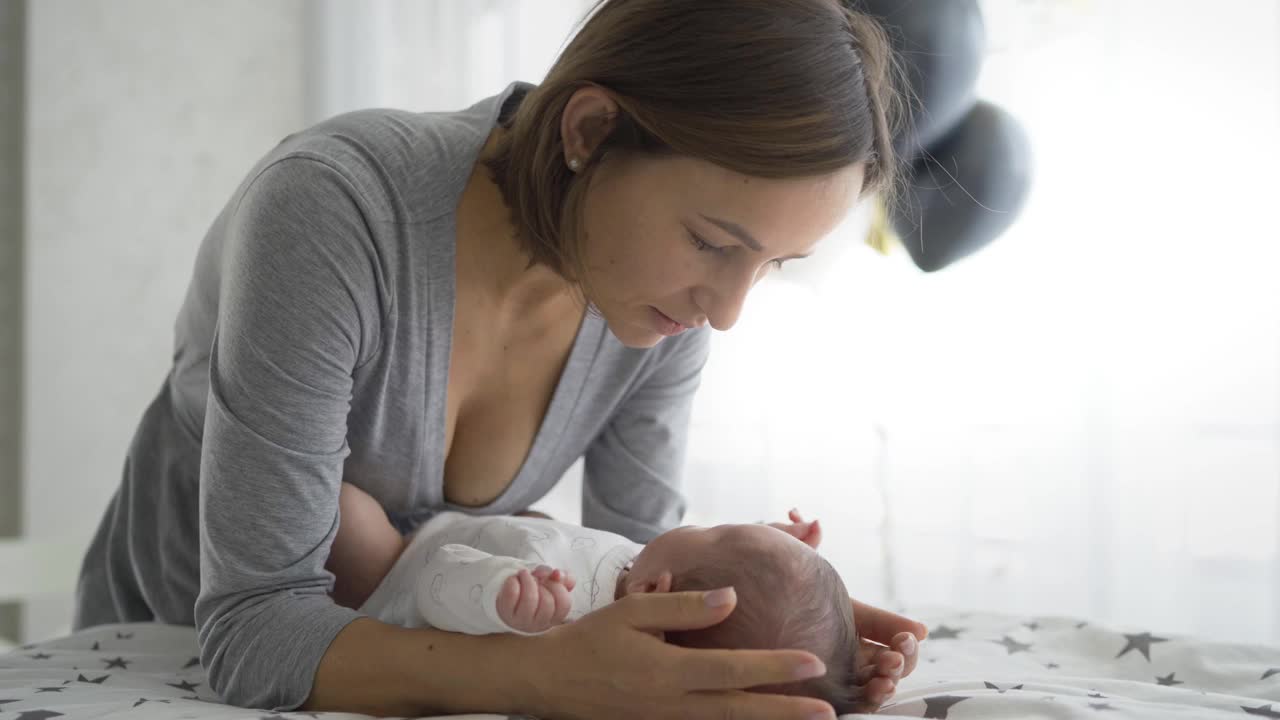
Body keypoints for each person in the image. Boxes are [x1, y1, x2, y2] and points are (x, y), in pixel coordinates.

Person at [72, 0, 928, 717]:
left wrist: (757, 619)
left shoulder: (662, 309)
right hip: (166, 659)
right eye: (710, 241)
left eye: (772, 264)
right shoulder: (330, 214)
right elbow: (255, 633)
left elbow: (630, 551)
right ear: (590, 130)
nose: (729, 311)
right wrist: (546, 679)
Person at [334, 481, 881, 715]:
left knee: (347, 512)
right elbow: (730, 581)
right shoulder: (656, 576)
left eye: (716, 531)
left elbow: (438, 579)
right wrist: (768, 547)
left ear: (653, 593)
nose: (703, 526)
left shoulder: (563, 615)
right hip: (483, 530)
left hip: (399, 575)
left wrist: (502, 593)